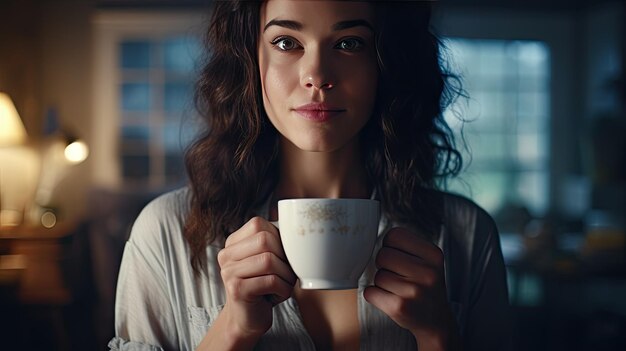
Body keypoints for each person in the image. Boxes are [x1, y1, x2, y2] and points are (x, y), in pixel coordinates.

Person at [109, 1, 513, 350]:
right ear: (251, 59)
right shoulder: (164, 233)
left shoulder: (467, 235)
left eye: (349, 43)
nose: (317, 75)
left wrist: (438, 338)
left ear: (385, 62)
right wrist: (233, 329)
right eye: (286, 42)